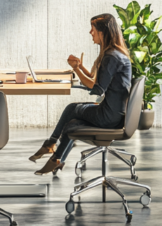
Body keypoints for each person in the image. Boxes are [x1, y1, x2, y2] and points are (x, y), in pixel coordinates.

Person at [29, 13, 132, 175]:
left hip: (109, 116)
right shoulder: (114, 54)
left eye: (93, 29)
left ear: (103, 32)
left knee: (72, 110)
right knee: (71, 121)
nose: (90, 33)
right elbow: (96, 79)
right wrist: (80, 67)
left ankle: (52, 147)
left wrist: (76, 69)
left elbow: (97, 89)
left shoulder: (111, 57)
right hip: (114, 112)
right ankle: (56, 157)